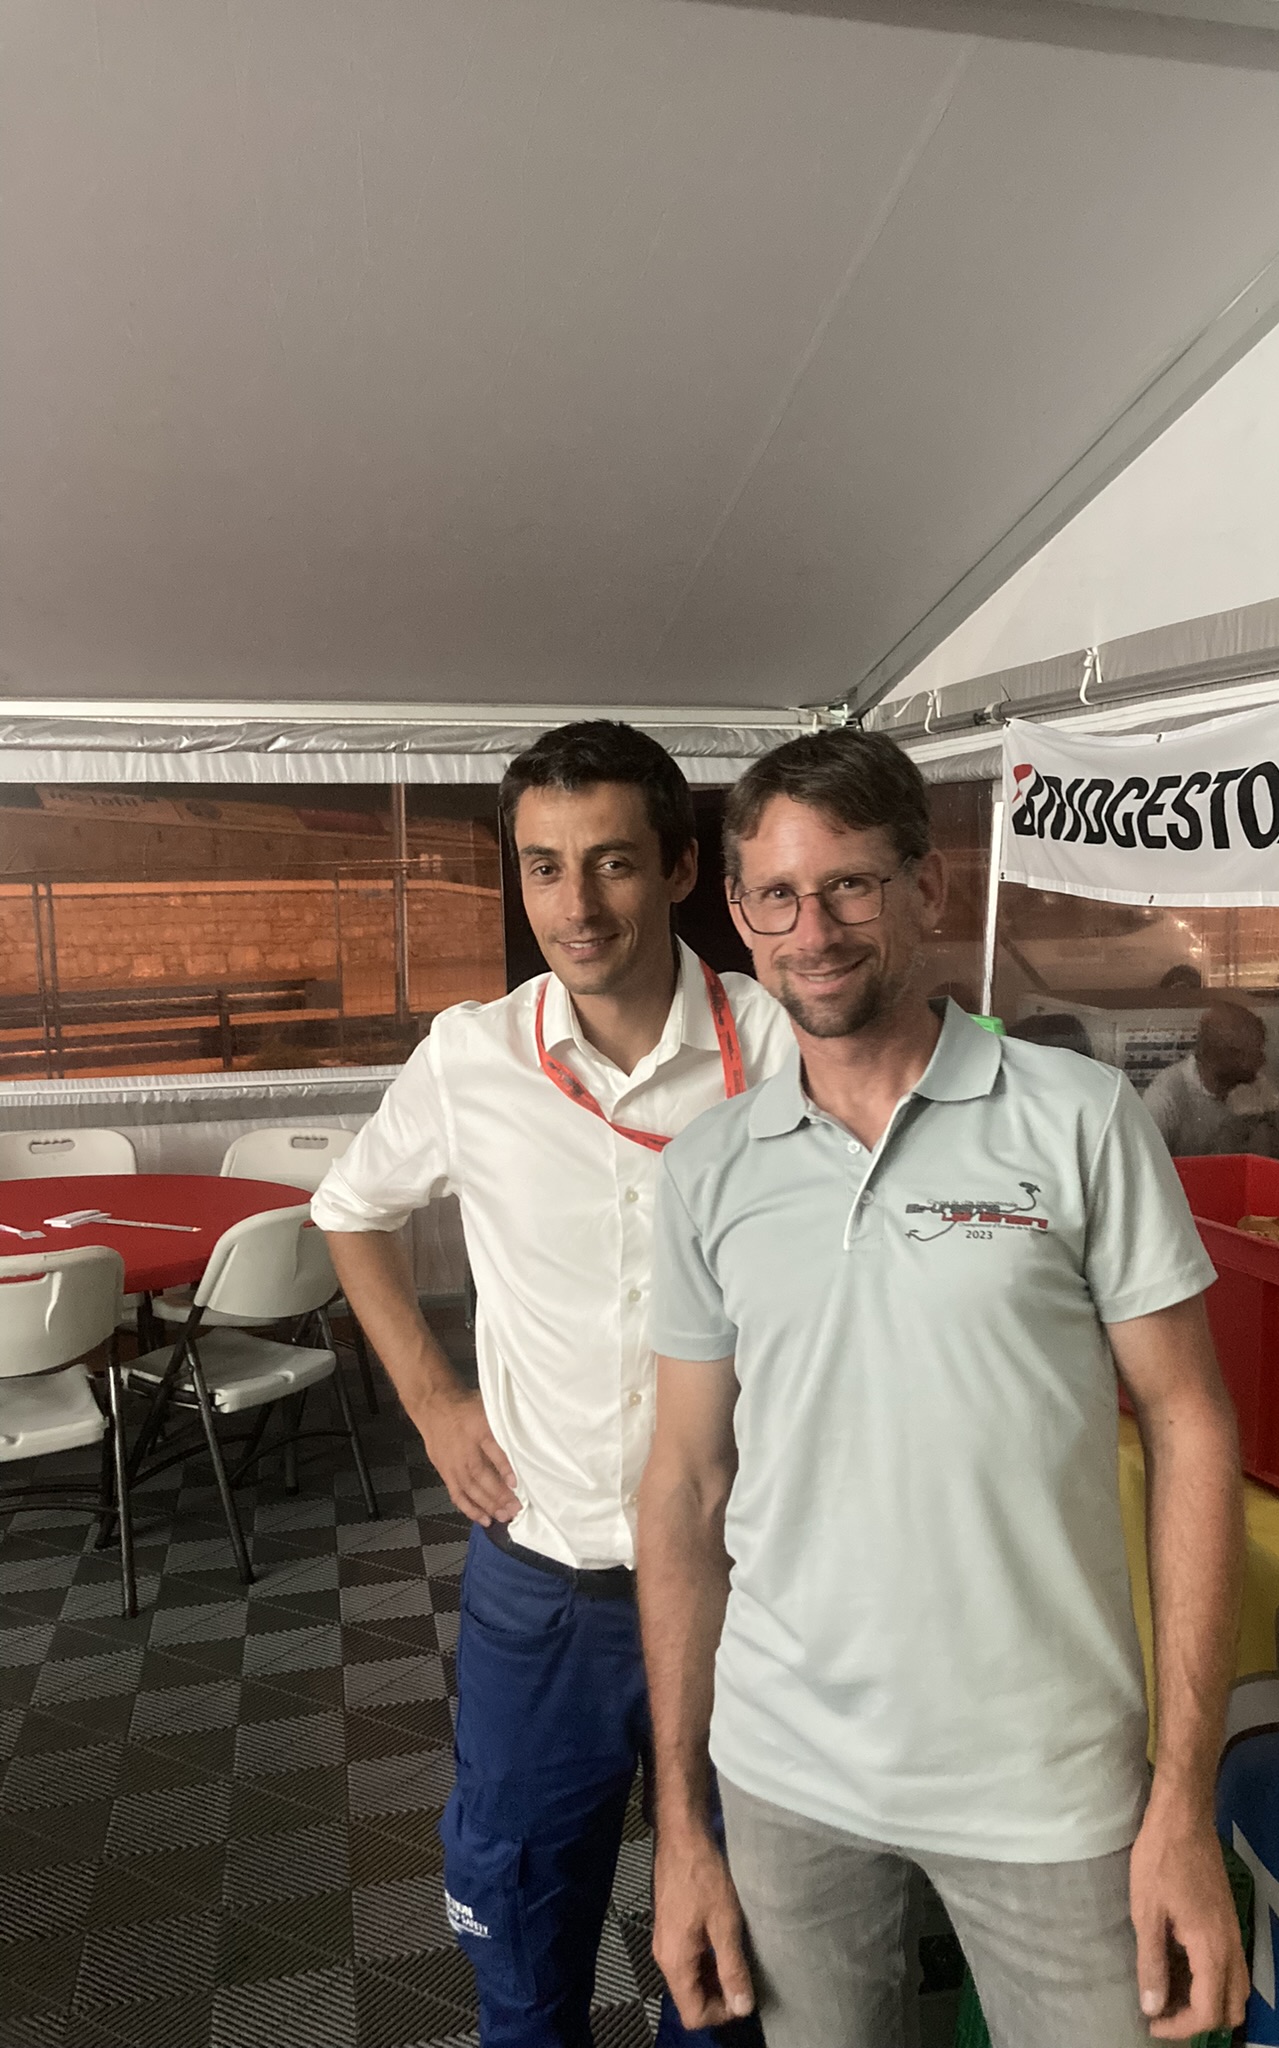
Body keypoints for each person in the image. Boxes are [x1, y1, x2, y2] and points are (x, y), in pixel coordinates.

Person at [637, 729, 1248, 2048]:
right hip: (788, 1769)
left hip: (1049, 1780)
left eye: (850, 884)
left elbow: (1192, 1425)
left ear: (925, 887)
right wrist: (682, 1824)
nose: (815, 931)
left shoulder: (1079, 1119)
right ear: (738, 914)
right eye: (778, 896)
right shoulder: (707, 1170)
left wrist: (1182, 1800)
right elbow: (684, 1486)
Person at [311, 720, 793, 2048]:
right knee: (522, 1967)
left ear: (681, 867)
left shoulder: (780, 1047)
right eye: (542, 866)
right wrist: (433, 1401)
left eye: (612, 862)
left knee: (735, 1978)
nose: (574, 906)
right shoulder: (473, 1056)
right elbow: (351, 1208)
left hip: (754, 1590)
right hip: (546, 1591)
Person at [1142, 1001, 1269, 1156]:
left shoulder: (1254, 1086)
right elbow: (1144, 1162)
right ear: (1224, 1055)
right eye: (1253, 1054)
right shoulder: (1165, 1098)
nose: (1262, 1061)